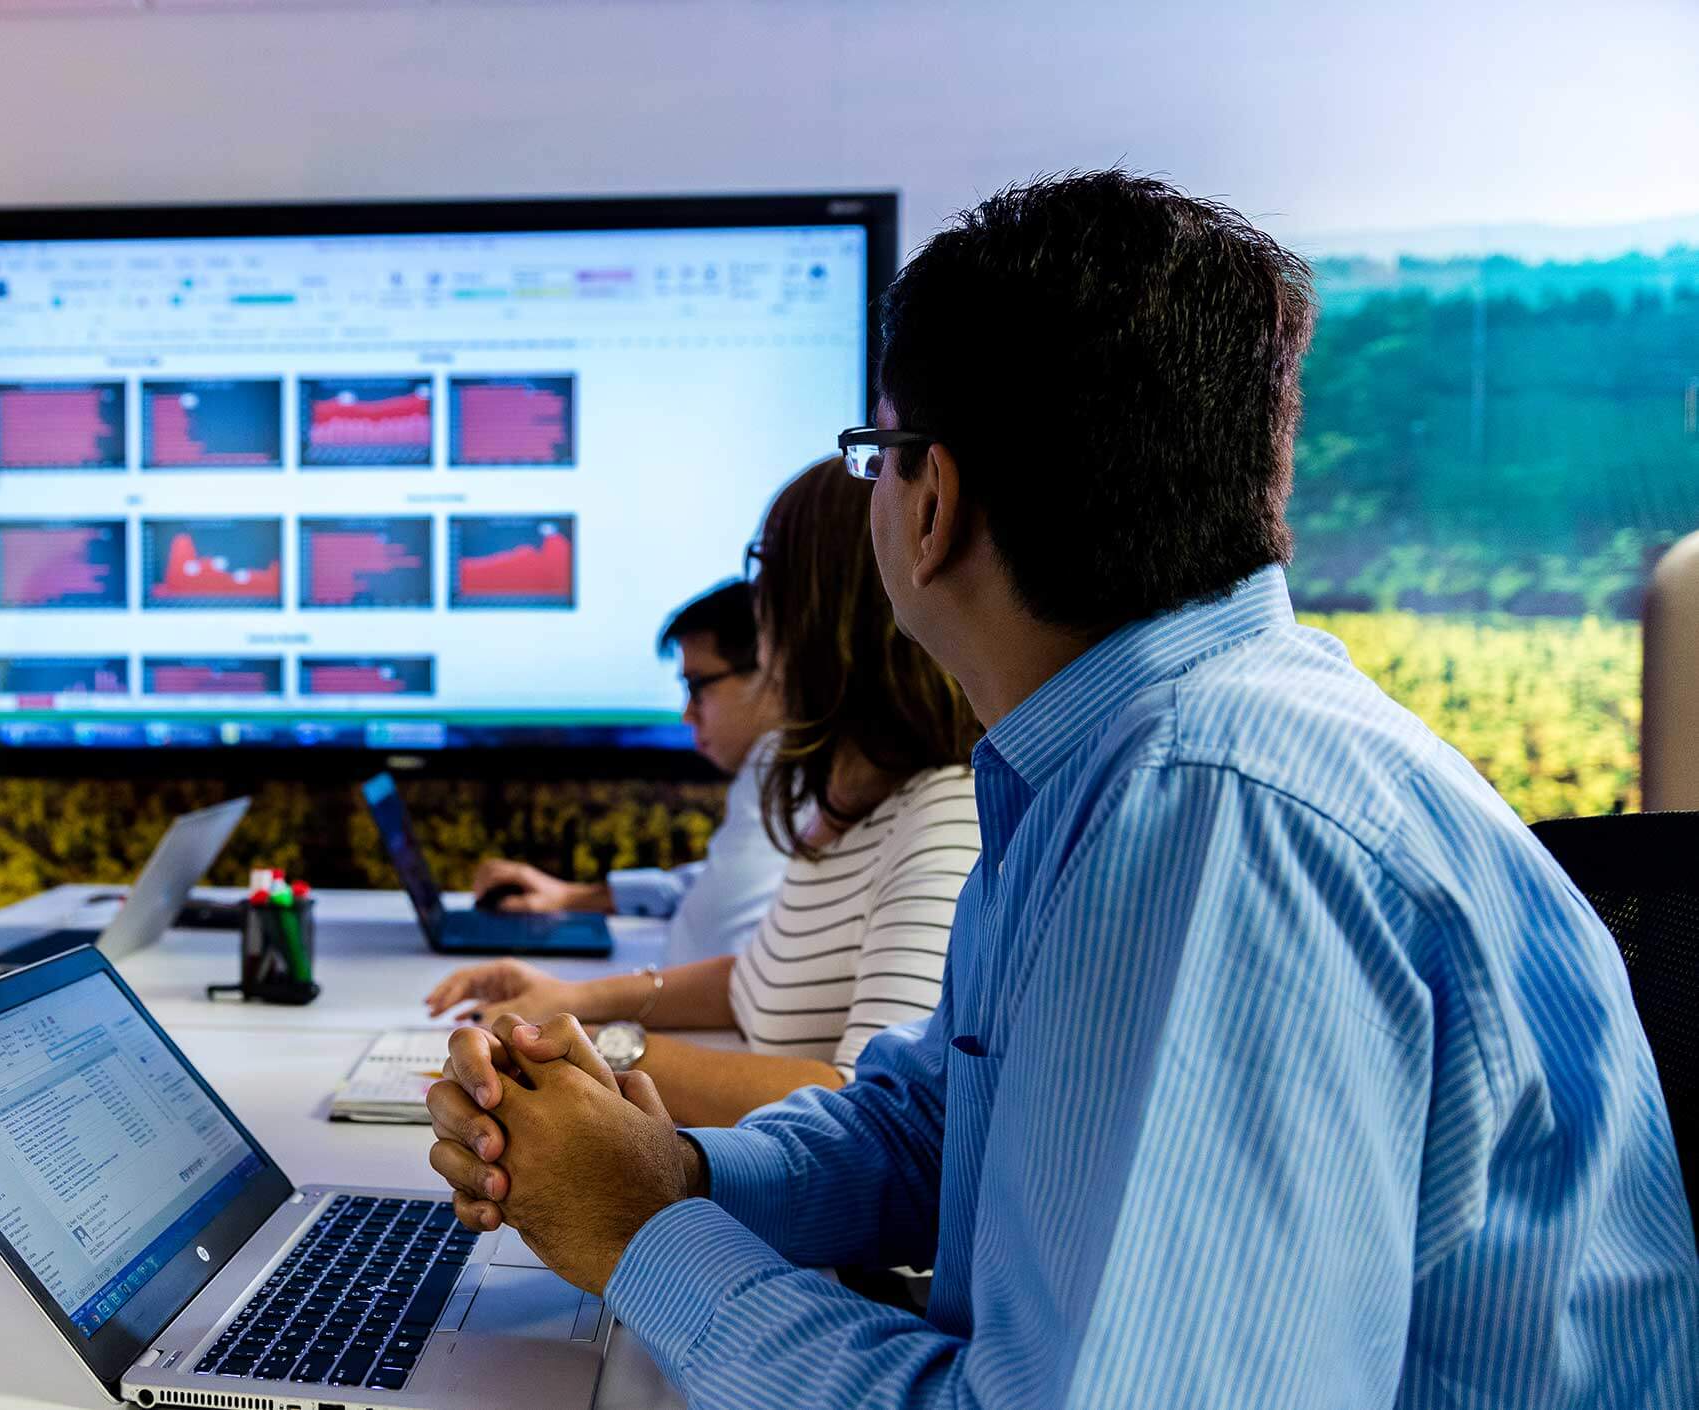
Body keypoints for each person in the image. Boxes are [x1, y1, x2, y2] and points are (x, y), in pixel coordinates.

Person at [425, 172, 1698, 1408]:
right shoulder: (1118, 767)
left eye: (875, 457)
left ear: (933, 507)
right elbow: (940, 1132)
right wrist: (688, 1171)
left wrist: (648, 1238)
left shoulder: (1210, 822)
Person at [425, 460, 982, 1127]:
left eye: (767, 574)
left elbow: (876, 1113)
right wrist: (573, 1000)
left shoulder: (944, 816)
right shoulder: (851, 804)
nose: (757, 609)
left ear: (826, 611)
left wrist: (596, 1048)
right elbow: (755, 981)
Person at [468, 580, 788, 968]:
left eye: (698, 686)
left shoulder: (783, 775)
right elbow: (706, 886)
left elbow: (710, 955)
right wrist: (574, 897)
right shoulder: (778, 780)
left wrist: (566, 1000)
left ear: (774, 670)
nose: (687, 714)